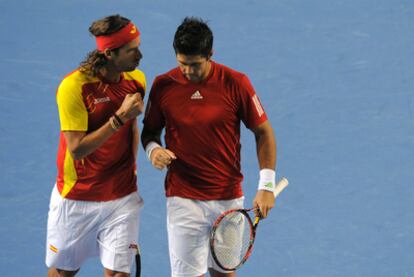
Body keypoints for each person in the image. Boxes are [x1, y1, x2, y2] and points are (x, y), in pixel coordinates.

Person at [141, 17, 277, 277]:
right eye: (182, 64)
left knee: (224, 274)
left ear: (210, 55)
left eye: (195, 65)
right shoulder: (163, 85)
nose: (188, 72)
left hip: (227, 198)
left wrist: (266, 186)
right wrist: (153, 151)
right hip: (183, 199)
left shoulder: (236, 83)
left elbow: (264, 132)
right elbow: (149, 133)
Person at [45, 14, 146, 277]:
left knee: (118, 274)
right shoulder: (73, 88)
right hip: (78, 196)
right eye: (131, 50)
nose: (140, 55)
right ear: (110, 54)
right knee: (64, 272)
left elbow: (133, 127)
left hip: (121, 195)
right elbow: (77, 148)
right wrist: (118, 118)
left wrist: (131, 167)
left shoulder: (136, 81)